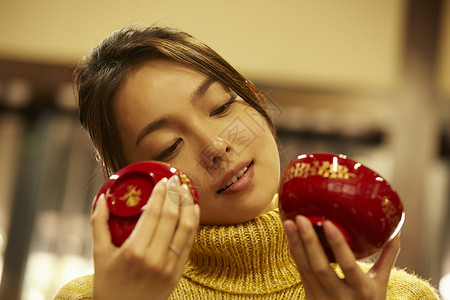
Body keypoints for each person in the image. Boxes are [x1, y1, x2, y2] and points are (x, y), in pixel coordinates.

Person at [54, 25, 439, 299]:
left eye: (221, 107)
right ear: (134, 183)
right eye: (168, 146)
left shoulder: (398, 296)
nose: (216, 145)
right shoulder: (90, 298)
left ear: (257, 105)